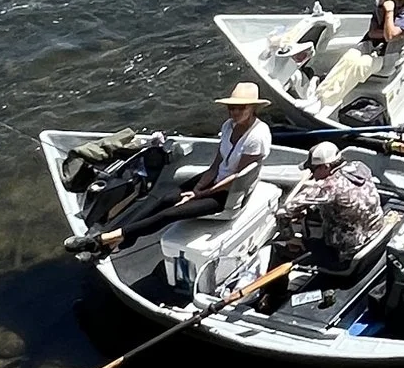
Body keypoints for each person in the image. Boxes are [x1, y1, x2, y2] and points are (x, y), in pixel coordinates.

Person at [66, 86, 270, 258]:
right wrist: (198, 186)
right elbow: (217, 163)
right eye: (231, 108)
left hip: (231, 193)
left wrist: (199, 194)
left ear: (253, 109)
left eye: (241, 108)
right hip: (216, 179)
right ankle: (118, 243)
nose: (235, 112)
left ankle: (102, 240)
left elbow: (238, 177)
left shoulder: (256, 136)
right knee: (165, 199)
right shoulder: (228, 126)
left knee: (169, 214)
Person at [259, 139, 388, 312]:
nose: (312, 175)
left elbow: (284, 212)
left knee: (280, 248)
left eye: (313, 170)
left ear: (325, 167)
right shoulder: (359, 167)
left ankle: (272, 298)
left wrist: (289, 236)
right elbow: (343, 198)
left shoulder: (327, 187)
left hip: (345, 252)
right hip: (373, 231)